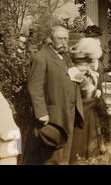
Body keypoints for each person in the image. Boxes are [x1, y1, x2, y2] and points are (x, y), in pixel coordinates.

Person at [23, 25, 84, 165]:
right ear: (50, 39)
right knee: (51, 157)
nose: (64, 42)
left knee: (64, 156)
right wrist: (41, 113)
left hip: (67, 113)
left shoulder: (65, 57)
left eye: (66, 39)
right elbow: (34, 87)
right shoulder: (41, 57)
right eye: (60, 38)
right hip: (52, 116)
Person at [69, 38, 111, 163]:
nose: (84, 66)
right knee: (80, 145)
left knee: (94, 145)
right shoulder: (74, 73)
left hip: (92, 112)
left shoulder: (91, 73)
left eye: (86, 63)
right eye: (81, 63)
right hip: (81, 114)